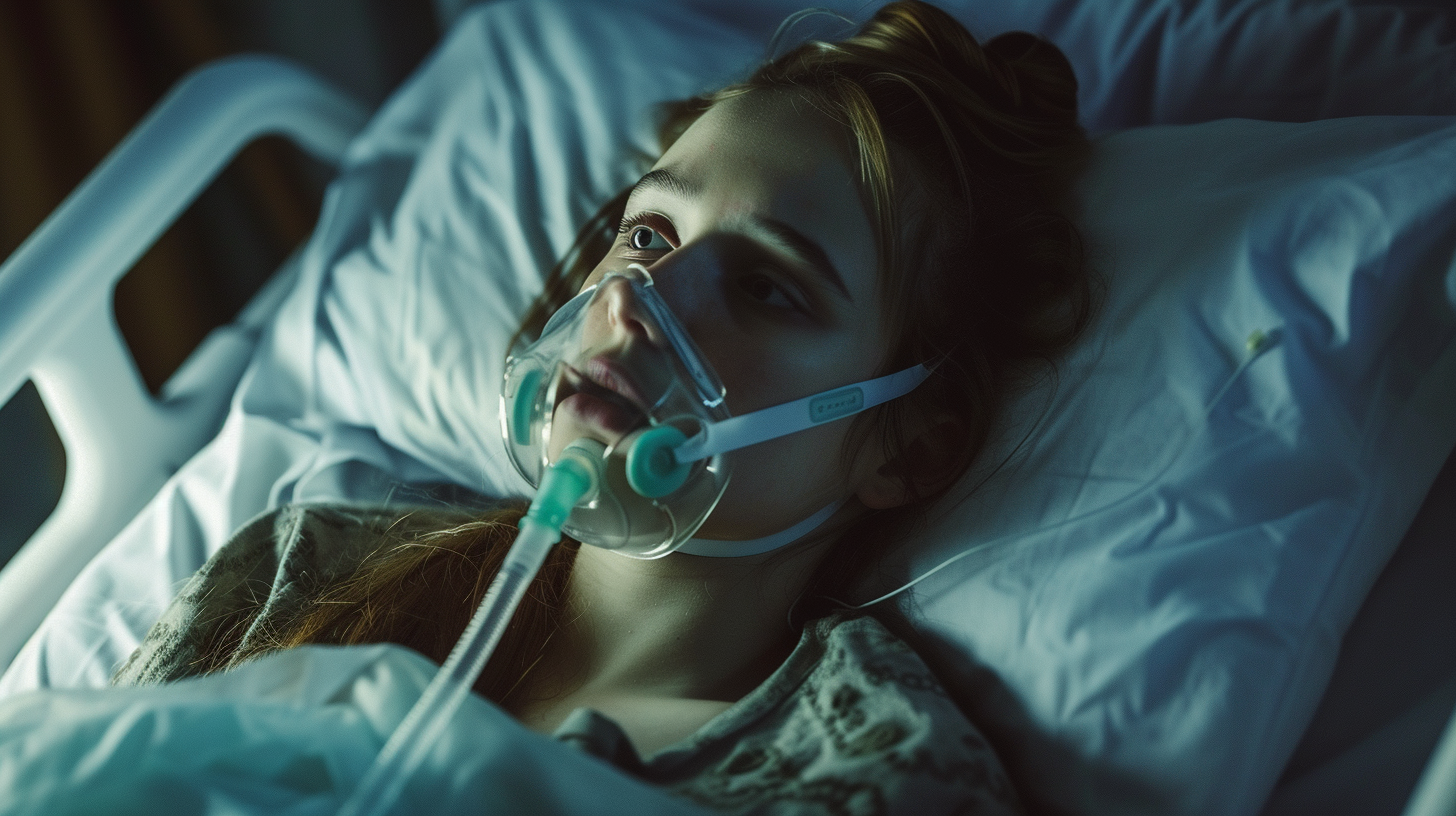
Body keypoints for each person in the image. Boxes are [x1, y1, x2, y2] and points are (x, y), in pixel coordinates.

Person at [114, 2, 1093, 812]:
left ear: (910, 448)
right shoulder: (297, 573)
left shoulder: (873, 777)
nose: (634, 299)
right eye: (651, 233)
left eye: (766, 286)